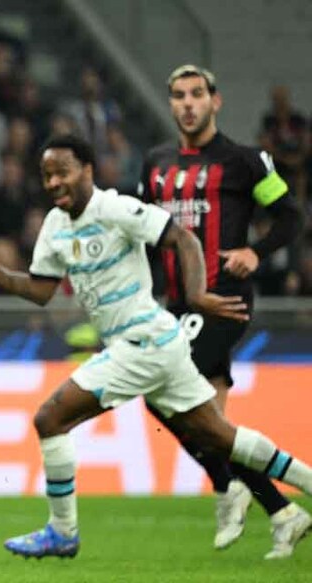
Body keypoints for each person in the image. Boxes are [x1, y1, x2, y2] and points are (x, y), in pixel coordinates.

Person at [0, 133, 312, 559]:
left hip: (142, 342)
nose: (53, 182)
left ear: (87, 171)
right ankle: (295, 501)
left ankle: (63, 531)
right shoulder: (55, 224)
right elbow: (41, 290)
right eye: (47, 175)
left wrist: (197, 294)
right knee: (223, 437)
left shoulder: (116, 208)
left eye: (62, 172)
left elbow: (182, 238)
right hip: (157, 345)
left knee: (50, 419)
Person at [137, 65, 308, 559]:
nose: (187, 103)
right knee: (211, 424)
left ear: (216, 101)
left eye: (196, 94)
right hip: (176, 305)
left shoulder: (244, 161)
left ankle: (226, 485)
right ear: (170, 104)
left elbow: (292, 215)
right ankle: (282, 511)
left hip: (224, 297)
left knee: (156, 392)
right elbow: (145, 231)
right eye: (178, 96)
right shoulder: (155, 163)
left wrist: (258, 251)